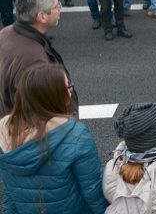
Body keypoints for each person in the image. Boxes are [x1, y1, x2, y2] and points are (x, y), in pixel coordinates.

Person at [0, 63, 108, 213]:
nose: (71, 91)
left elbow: (10, 192)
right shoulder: (76, 135)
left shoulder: (4, 134)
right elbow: (93, 191)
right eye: (68, 86)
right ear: (53, 95)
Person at [0, 0, 78, 117]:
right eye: (56, 6)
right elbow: (41, 110)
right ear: (42, 17)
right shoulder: (34, 60)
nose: (60, 8)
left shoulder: (6, 33)